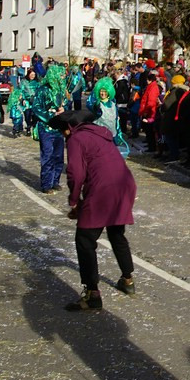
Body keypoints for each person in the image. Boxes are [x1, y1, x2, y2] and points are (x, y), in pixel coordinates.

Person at [50, 109, 138, 311]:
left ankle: (92, 294)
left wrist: (74, 201)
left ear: (69, 128)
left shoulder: (76, 139)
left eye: (62, 130)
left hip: (103, 189)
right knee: (116, 232)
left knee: (85, 240)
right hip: (124, 184)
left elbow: (75, 173)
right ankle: (127, 279)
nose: (63, 135)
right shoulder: (101, 133)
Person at [31, 64, 68, 194]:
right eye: (61, 75)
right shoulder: (42, 90)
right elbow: (36, 108)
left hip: (58, 129)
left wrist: (64, 110)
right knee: (47, 155)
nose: (63, 77)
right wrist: (51, 114)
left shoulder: (60, 91)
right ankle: (46, 184)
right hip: (46, 128)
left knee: (58, 156)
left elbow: (66, 106)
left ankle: (55, 181)